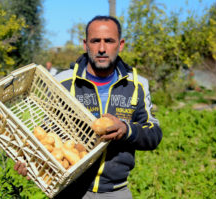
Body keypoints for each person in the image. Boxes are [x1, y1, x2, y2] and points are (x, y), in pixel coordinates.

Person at [14, 15, 162, 199]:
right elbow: (47, 131)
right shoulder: (63, 82)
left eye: (108, 41)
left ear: (121, 44)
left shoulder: (136, 85)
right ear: (85, 44)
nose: (101, 48)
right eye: (95, 41)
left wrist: (126, 129)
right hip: (68, 190)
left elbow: (153, 134)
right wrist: (31, 159)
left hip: (116, 192)